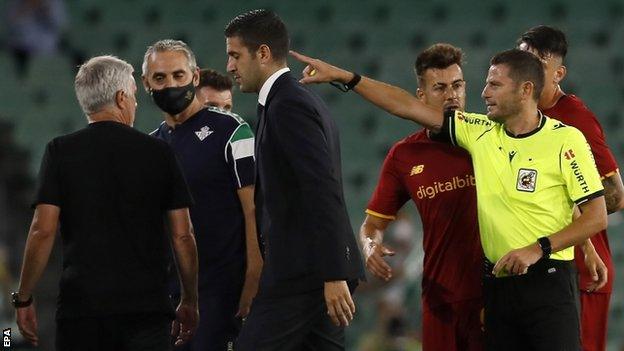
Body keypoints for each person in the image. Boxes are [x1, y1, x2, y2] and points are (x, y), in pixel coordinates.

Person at [292, 49, 608, 350]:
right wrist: (347, 77)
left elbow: (592, 213)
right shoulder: (478, 132)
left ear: (525, 90)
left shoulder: (565, 138)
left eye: (493, 85)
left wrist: (561, 247)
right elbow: (403, 105)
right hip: (490, 290)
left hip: (545, 283)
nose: (483, 93)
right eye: (484, 84)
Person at [13, 55, 199, 350]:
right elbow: (183, 234)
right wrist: (189, 299)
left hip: (82, 310)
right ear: (122, 97)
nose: (136, 104)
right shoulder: (159, 153)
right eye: (135, 97)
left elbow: (42, 231)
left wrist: (23, 297)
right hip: (146, 311)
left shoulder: (60, 151)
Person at [224, 9, 365, 350]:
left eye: (235, 55)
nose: (229, 66)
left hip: (303, 273)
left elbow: (321, 188)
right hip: (310, 269)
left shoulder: (288, 105)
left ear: (263, 54)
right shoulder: (287, 101)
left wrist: (333, 273)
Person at [361, 43, 484, 350]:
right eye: (440, 88)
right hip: (439, 299)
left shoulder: (489, 138)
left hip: (493, 296)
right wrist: (370, 246)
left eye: (457, 86)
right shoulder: (405, 155)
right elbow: (371, 224)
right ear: (421, 97)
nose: (451, 95)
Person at [144, 39, 262, 351]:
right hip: (169, 293)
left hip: (222, 289)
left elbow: (254, 211)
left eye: (178, 76)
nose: (170, 85)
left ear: (195, 77)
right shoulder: (150, 146)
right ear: (146, 84)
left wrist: (254, 275)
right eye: (160, 78)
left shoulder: (232, 131)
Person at [517, 25, 624, 351]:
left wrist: (556, 202)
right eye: (523, 62)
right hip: (536, 267)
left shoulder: (575, 117)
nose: (528, 73)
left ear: (559, 73)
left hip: (582, 271)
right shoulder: (519, 119)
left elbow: (616, 195)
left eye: (539, 64)